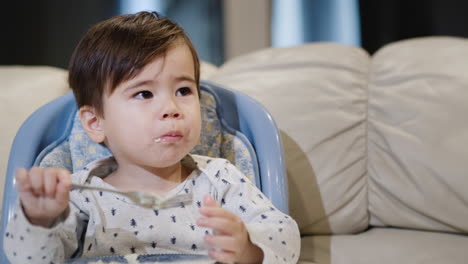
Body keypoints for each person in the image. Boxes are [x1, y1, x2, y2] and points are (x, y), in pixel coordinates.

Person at [3, 11, 300, 264]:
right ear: (95, 122)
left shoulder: (221, 180)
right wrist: (39, 221)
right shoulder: (80, 195)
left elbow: (284, 237)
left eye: (183, 91)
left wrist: (248, 249)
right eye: (144, 93)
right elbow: (28, 259)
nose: (171, 109)